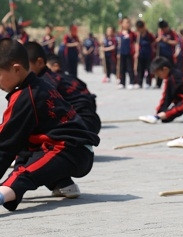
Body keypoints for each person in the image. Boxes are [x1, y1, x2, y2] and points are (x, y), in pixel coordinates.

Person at [0, 38, 99, 212]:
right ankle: (62, 182)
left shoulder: (25, 96)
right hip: (76, 150)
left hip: (68, 150)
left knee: (22, 174)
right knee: (24, 150)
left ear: (16, 69)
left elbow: (4, 145)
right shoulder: (37, 84)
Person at [26, 42, 101, 134]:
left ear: (40, 63)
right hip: (91, 120)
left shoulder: (43, 83)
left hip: (80, 125)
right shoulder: (66, 77)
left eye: (25, 66)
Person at [139, 57, 183, 124]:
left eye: (158, 74)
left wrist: (159, 113)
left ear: (165, 69)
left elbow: (167, 97)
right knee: (166, 119)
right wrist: (161, 111)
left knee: (175, 110)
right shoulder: (173, 75)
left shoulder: (173, 78)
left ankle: (156, 117)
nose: (158, 76)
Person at [117, 17, 137, 89]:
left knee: (130, 68)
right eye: (126, 22)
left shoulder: (132, 34)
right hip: (122, 53)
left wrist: (136, 52)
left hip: (129, 53)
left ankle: (132, 82)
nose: (127, 24)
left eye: (128, 22)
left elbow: (136, 42)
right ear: (122, 24)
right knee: (122, 68)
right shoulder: (119, 33)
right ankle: (122, 82)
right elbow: (117, 44)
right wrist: (118, 53)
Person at [135, 20, 155, 88]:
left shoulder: (149, 34)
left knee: (148, 69)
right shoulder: (138, 35)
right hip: (141, 54)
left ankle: (148, 83)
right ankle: (139, 83)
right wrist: (136, 52)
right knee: (140, 69)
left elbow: (154, 41)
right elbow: (136, 43)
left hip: (148, 54)